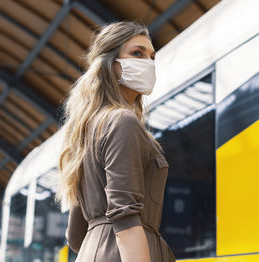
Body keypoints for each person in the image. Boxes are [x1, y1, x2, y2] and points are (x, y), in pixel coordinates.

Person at [56, 21, 176, 262]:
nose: (148, 63)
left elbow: (76, 235)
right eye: (137, 53)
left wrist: (100, 242)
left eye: (152, 57)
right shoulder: (122, 121)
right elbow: (126, 220)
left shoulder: (85, 131)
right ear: (111, 64)